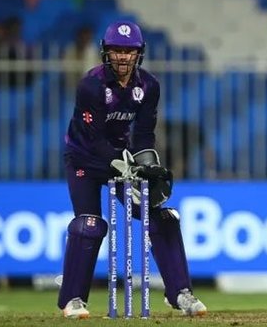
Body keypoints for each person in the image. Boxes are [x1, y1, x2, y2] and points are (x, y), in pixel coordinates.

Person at [58, 21, 207, 319]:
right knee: (89, 225)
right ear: (106, 52)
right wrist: (125, 164)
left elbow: (144, 134)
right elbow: (94, 139)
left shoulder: (148, 86)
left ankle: (180, 293)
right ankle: (73, 299)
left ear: (139, 53)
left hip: (121, 158)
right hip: (84, 160)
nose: (123, 57)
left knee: (162, 217)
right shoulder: (91, 85)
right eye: (117, 50)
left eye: (129, 51)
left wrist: (146, 165)